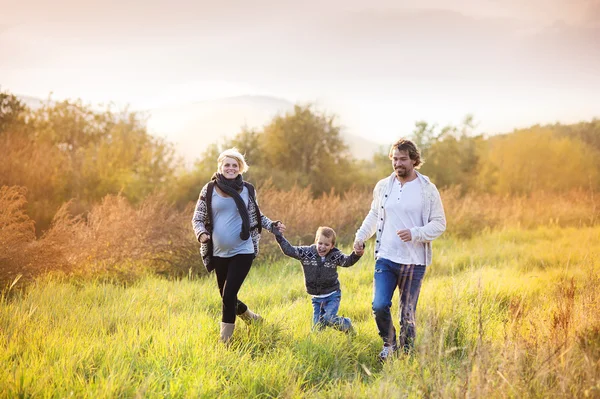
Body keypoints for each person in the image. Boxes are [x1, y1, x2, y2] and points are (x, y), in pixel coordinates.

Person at [353, 138, 446, 361]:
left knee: (408, 313)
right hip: (386, 257)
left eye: (403, 159)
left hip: (414, 262)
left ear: (414, 160)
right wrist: (360, 236)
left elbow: (439, 223)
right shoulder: (384, 186)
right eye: (395, 159)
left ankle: (406, 354)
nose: (398, 163)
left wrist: (415, 233)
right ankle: (389, 343)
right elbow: (375, 215)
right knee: (379, 305)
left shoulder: (427, 190)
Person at [192, 148, 285, 343]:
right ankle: (253, 319)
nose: (231, 168)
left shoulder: (248, 189)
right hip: (218, 252)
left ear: (240, 168)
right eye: (227, 164)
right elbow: (198, 218)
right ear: (220, 166)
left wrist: (272, 225)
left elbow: (257, 215)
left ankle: (225, 341)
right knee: (226, 297)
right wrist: (201, 234)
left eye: (235, 165)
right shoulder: (209, 189)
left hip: (243, 249)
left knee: (228, 295)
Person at [273, 226, 363, 333]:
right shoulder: (306, 253)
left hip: (332, 295)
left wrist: (356, 254)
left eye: (326, 244)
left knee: (329, 318)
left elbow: (347, 261)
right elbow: (289, 250)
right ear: (316, 241)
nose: (322, 247)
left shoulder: (335, 255)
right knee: (316, 330)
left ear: (332, 245)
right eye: (320, 243)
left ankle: (346, 324)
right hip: (316, 299)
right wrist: (279, 236)